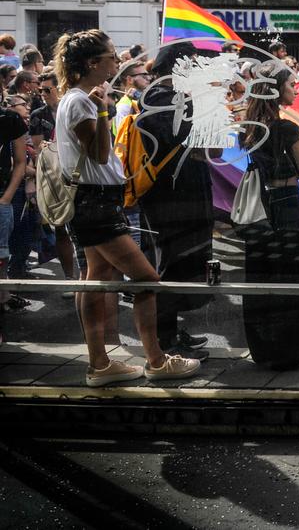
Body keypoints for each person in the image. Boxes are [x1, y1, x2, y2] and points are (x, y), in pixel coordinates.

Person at [52, 29, 200, 386]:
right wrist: (103, 110)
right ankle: (155, 360)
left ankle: (100, 365)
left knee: (95, 280)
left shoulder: (79, 99)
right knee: (147, 278)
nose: (117, 63)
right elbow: (100, 153)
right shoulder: (81, 102)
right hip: (95, 204)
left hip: (97, 201)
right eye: (110, 57)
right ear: (91, 63)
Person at [137, 42, 217, 359]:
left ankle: (170, 331)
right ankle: (166, 341)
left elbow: (207, 147)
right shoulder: (162, 102)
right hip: (170, 199)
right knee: (169, 265)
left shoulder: (172, 99)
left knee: (179, 263)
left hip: (182, 195)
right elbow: (202, 142)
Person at [238, 62, 299, 370]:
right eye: (290, 85)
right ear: (276, 90)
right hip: (285, 203)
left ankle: (262, 349)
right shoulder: (287, 128)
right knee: (287, 276)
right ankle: (290, 351)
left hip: (260, 205)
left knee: (259, 275)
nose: (294, 89)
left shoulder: (250, 126)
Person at [28, 68, 76, 287]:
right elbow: (39, 149)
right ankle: (69, 278)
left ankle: (87, 275)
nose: (43, 94)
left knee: (83, 228)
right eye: (40, 90)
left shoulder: (74, 108)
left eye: (47, 90)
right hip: (53, 177)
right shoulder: (38, 115)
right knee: (60, 228)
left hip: (78, 174)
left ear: (60, 88)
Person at [0, 96, 29, 313]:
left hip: (1, 199)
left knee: (1, 257)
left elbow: (21, 162)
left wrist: (6, 197)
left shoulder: (9, 119)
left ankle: (3, 299)